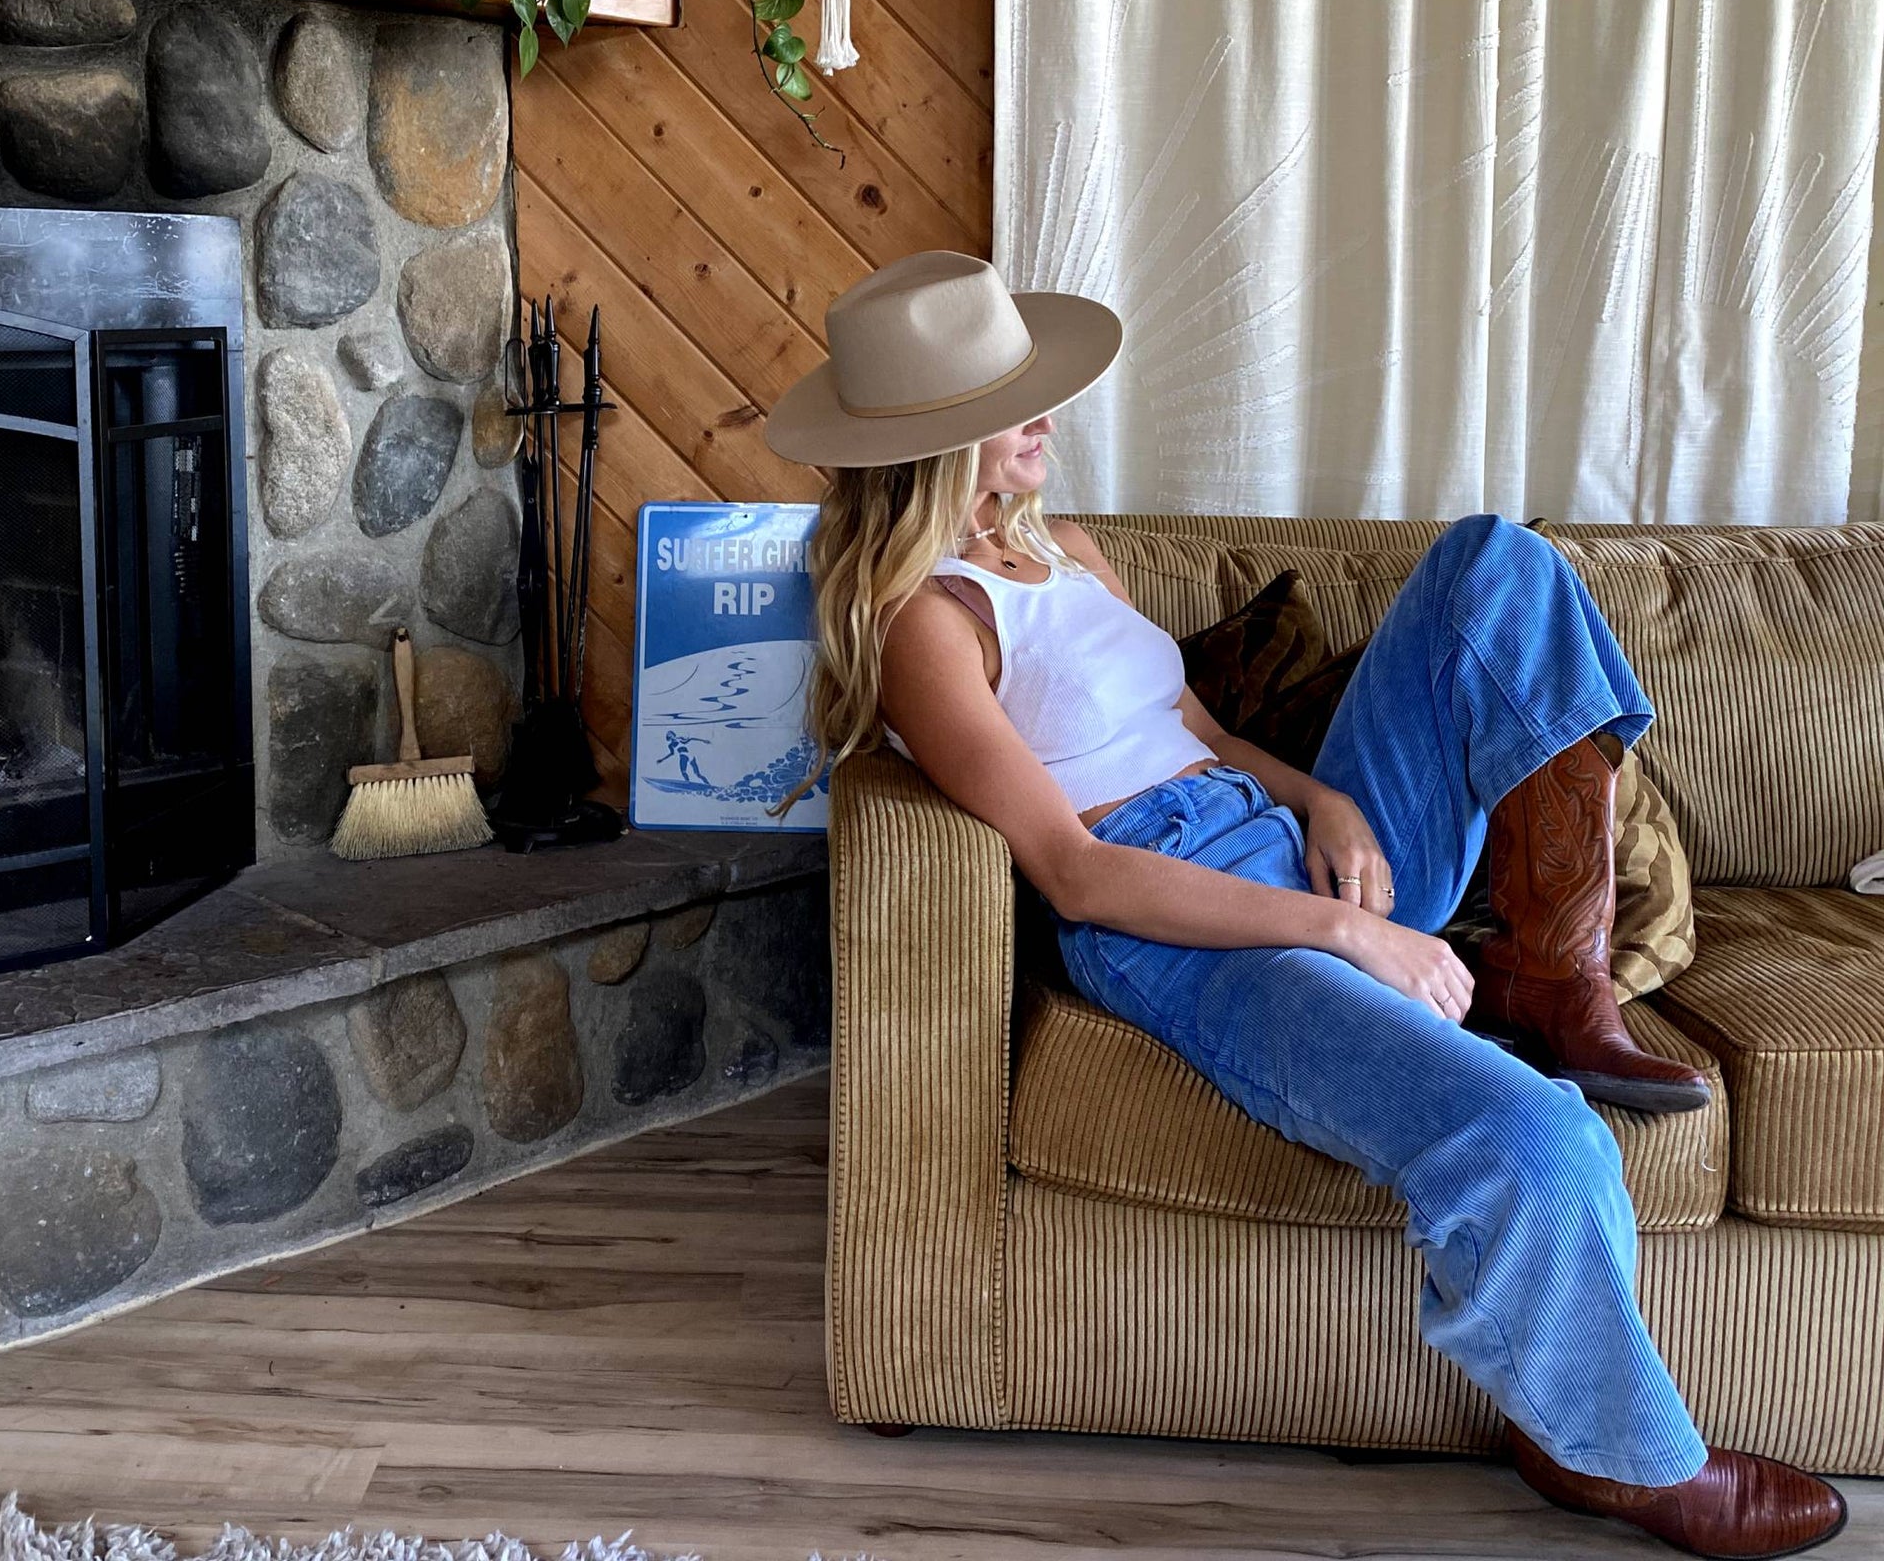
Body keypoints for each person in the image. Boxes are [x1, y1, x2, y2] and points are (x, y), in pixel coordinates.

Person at [764, 250, 1847, 1561]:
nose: (1045, 414)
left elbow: (1200, 732)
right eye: (1010, 398)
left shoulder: (1068, 553)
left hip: (1282, 839)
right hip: (1181, 924)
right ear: (932, 442)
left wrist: (1325, 807)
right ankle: (1608, 1455)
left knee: (1492, 566)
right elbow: (1074, 870)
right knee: (1541, 1143)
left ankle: (1559, 977)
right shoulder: (927, 623)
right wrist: (1343, 928)